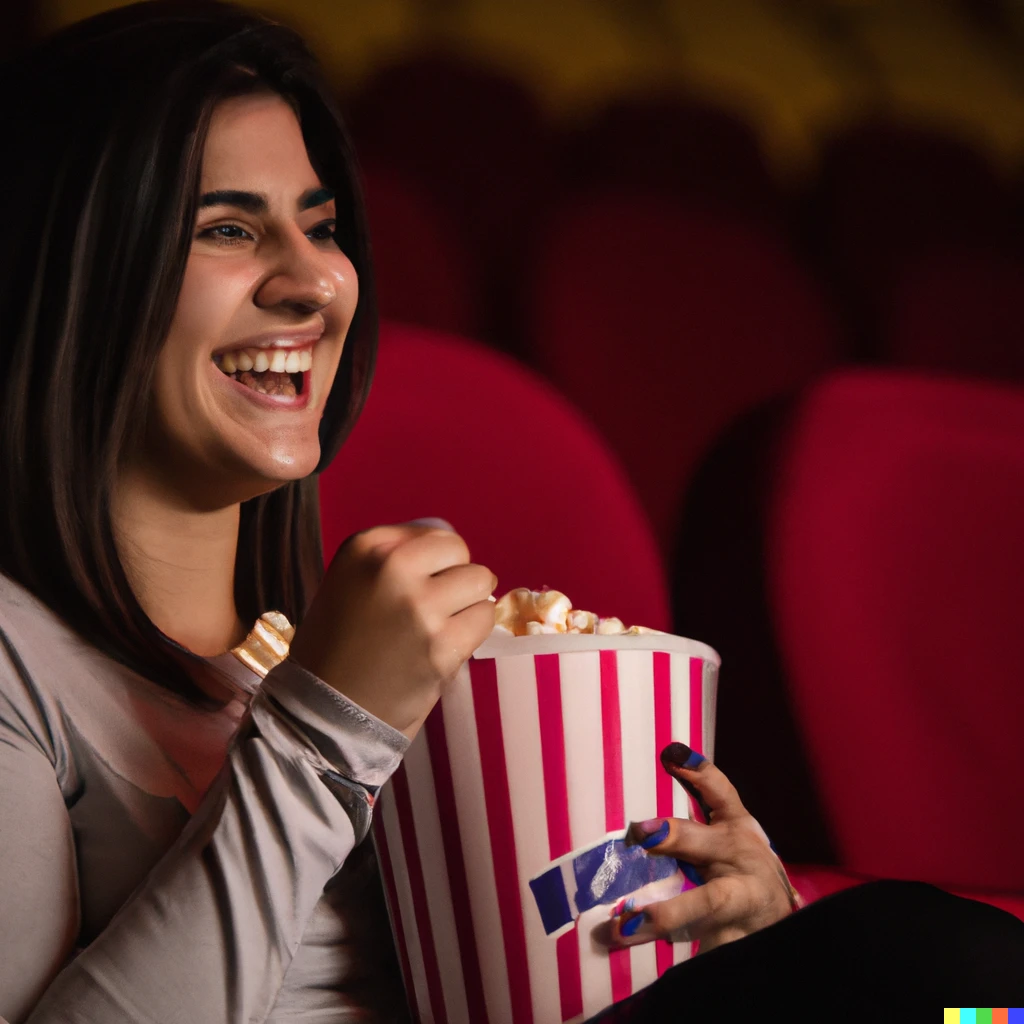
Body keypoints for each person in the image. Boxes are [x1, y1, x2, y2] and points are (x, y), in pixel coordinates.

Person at [0, 3, 1021, 1022]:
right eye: (227, 228)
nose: (316, 281)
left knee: (953, 986)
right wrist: (322, 735)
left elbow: (524, 970)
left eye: (320, 227)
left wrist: (741, 933)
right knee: (951, 970)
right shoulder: (28, 661)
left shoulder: (357, 656)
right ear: (72, 267)